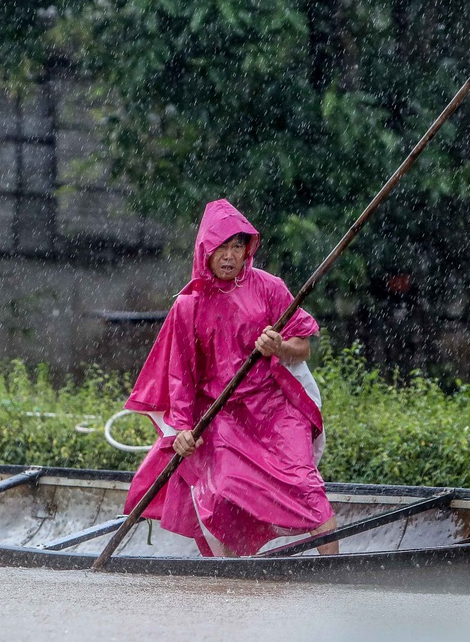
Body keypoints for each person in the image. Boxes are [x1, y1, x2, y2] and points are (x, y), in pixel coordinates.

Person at [123, 198, 339, 557]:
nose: (229, 255)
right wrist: (183, 431)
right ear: (205, 250)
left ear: (247, 249)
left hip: (275, 408)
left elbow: (302, 347)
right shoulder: (187, 306)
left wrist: (279, 346)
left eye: (237, 246)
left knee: (306, 487)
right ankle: (232, 578)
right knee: (220, 491)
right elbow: (181, 378)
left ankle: (337, 573)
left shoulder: (269, 287)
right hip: (222, 416)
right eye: (221, 246)